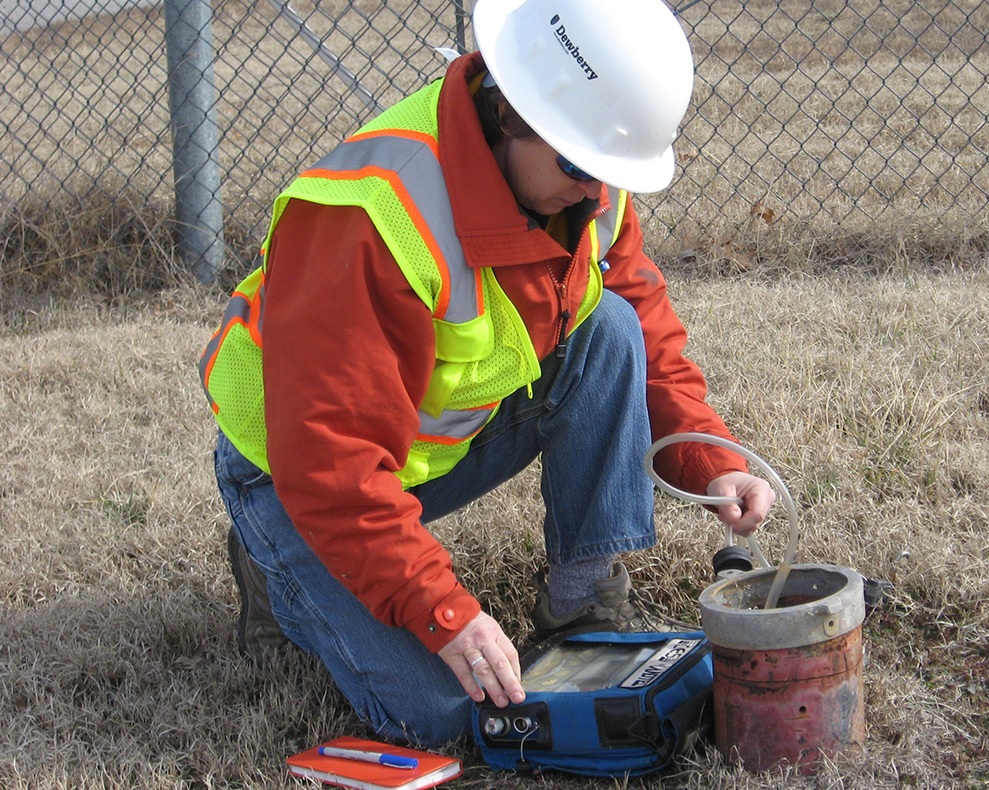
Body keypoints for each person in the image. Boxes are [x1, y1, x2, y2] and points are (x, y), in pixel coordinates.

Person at [198, 0, 775, 747]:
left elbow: (642, 325)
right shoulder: (371, 216)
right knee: (452, 720)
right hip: (294, 477)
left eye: (608, 171)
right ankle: (274, 560)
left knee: (609, 328)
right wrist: (445, 614)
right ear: (508, 111)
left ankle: (582, 605)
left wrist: (713, 462)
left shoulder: (587, 172)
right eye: (578, 166)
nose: (597, 192)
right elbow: (331, 464)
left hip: (419, 449)